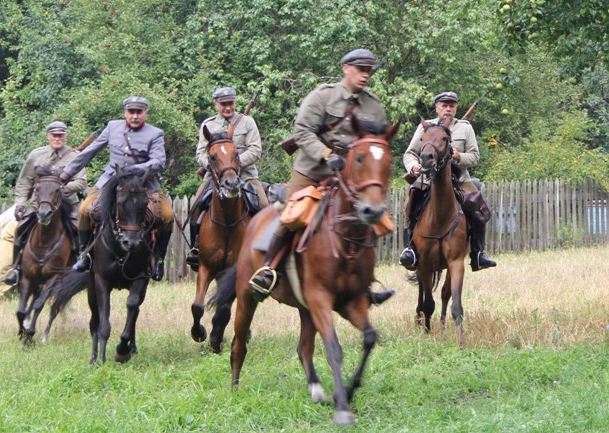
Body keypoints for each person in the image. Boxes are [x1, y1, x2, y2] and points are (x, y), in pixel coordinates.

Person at [248, 48, 395, 305]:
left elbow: (377, 142)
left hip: (352, 177)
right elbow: (303, 132)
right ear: (346, 69)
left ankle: (365, 282)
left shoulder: (374, 105)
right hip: (313, 170)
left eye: (368, 71)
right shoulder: (322, 96)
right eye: (360, 70)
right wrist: (327, 154)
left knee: (369, 218)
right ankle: (268, 269)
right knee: (290, 213)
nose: (365, 75)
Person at [58, 96, 174, 281]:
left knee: (167, 215)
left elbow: (158, 161)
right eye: (131, 112)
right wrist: (65, 175)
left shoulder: (155, 133)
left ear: (145, 113)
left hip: (144, 182)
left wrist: (135, 169)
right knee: (84, 210)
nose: (134, 116)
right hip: (110, 180)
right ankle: (84, 255)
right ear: (125, 112)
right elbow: (90, 151)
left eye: (139, 112)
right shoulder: (113, 127)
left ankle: (158, 259)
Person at [400, 91, 497, 272]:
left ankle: (478, 253)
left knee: (478, 205)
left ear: (456, 108)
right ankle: (410, 250)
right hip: (428, 179)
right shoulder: (425, 127)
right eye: (444, 105)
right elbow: (410, 153)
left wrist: (459, 156)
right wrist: (413, 166)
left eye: (451, 106)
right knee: (411, 201)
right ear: (437, 108)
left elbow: (475, 157)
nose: (448, 109)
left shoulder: (465, 128)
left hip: (459, 179)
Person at [186, 87, 269, 270]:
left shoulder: (247, 122)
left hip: (246, 175)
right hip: (214, 176)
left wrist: (235, 165)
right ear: (216, 104)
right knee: (195, 209)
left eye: (230, 103)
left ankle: (265, 254)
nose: (228, 108)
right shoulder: (207, 125)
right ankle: (196, 250)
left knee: (264, 206)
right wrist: (213, 167)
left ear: (235, 103)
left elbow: (255, 150)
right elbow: (200, 153)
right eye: (223, 104)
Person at [2, 121, 88, 285]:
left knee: (80, 230)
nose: (57, 138)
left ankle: (79, 265)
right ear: (48, 136)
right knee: (20, 229)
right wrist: (20, 203)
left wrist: (58, 190)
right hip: (38, 205)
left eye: (60, 135)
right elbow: (23, 182)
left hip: (67, 206)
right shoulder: (36, 155)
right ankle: (17, 269)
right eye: (54, 135)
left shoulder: (75, 156)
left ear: (65, 136)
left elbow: (81, 182)